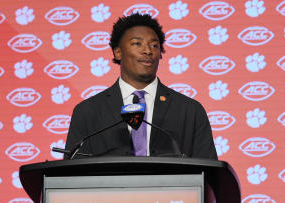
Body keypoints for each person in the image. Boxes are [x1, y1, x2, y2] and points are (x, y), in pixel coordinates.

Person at [64, 13, 217, 160]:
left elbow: (209, 174)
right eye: (137, 43)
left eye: (154, 45)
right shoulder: (87, 112)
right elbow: (71, 174)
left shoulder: (189, 110)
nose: (147, 51)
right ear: (118, 52)